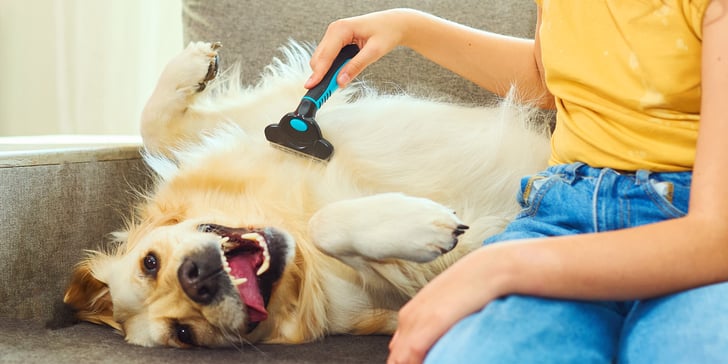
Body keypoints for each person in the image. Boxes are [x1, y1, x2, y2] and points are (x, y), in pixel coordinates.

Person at [306, 2, 728, 364]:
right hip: (563, 217)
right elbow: (556, 81)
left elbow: (715, 239)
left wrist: (497, 267)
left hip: (695, 235)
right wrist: (411, 27)